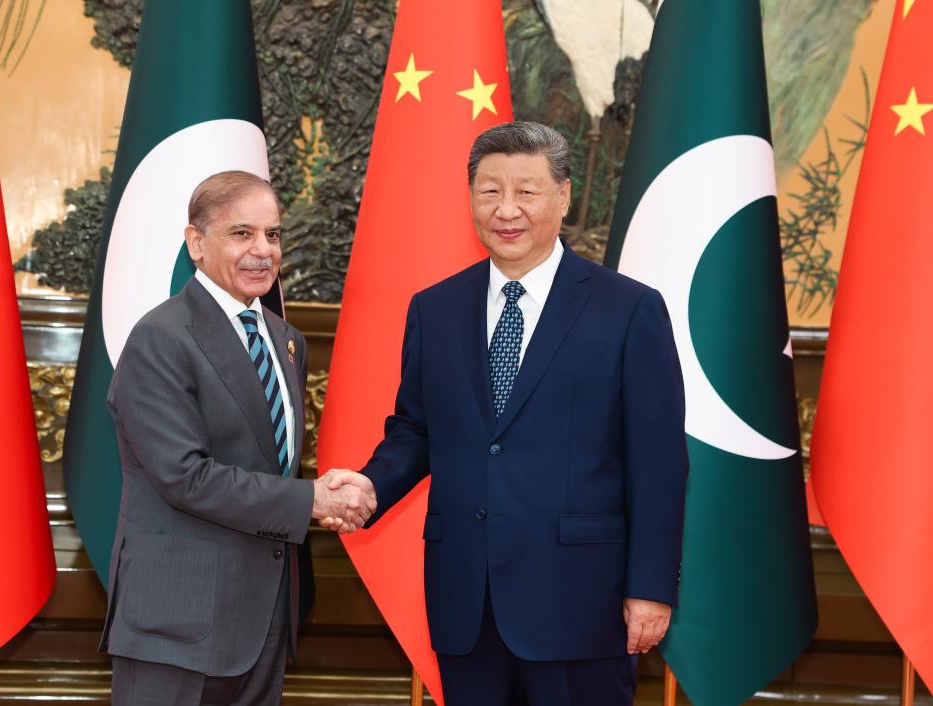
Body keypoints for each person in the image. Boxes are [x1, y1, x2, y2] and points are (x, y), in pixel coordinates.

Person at [324, 122, 688, 706]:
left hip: (579, 602)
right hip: (467, 602)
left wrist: (650, 588)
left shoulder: (629, 310)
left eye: (527, 191)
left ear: (564, 197)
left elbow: (659, 463)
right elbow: (417, 429)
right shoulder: (435, 309)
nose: (506, 209)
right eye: (490, 191)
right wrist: (369, 484)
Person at [100, 170, 376, 706]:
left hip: (265, 622)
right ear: (196, 244)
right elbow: (187, 477)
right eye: (241, 234)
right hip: (178, 629)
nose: (262, 251)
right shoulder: (161, 338)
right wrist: (312, 499)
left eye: (272, 235)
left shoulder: (285, 341)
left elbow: (271, 467)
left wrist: (324, 492)